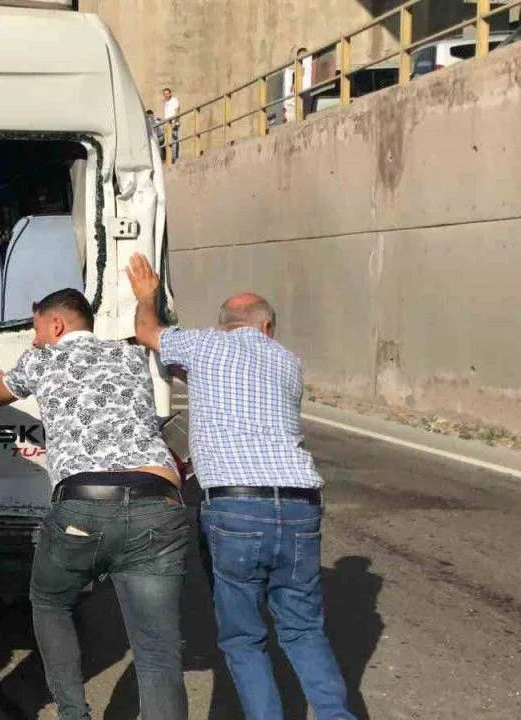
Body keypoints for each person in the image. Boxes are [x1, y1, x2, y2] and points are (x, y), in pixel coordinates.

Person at [126, 253, 356, 720]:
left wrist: (147, 296)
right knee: (304, 631)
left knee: (244, 639)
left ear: (222, 324)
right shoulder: (289, 362)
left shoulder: (205, 346)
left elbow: (147, 332)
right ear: (267, 327)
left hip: (235, 506)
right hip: (300, 504)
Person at [0, 289, 189, 720]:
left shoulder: (42, 359)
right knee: (157, 649)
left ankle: (74, 714)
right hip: (158, 500)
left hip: (84, 503)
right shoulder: (132, 356)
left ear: (55, 325)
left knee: (51, 603)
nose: (34, 338)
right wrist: (147, 298)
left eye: (36, 329)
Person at [162, 88, 181, 162]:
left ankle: (174, 157)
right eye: (165, 94)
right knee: (168, 140)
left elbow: (177, 111)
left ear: (170, 93)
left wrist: (174, 122)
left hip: (173, 123)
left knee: (174, 139)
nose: (166, 95)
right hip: (167, 124)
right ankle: (169, 157)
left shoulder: (174, 100)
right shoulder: (166, 103)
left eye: (167, 93)